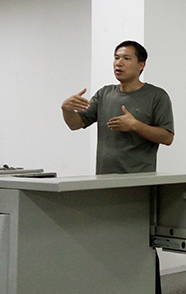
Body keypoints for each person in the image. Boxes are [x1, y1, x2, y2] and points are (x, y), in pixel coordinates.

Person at [61, 40, 173, 294]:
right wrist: (66, 109)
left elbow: (167, 137)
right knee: (107, 243)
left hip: (138, 185)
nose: (118, 63)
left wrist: (136, 125)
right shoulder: (104, 94)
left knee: (141, 246)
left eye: (126, 58)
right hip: (105, 185)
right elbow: (75, 124)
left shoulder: (156, 96)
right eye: (116, 57)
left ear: (141, 65)